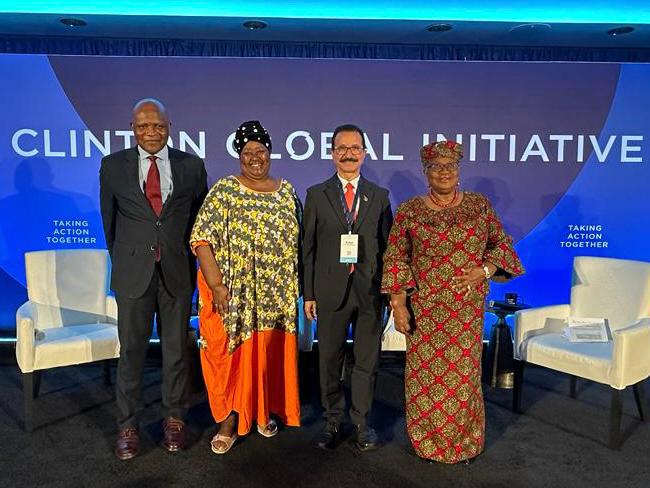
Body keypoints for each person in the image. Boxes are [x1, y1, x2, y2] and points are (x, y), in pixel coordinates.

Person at [381, 140, 524, 464]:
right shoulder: (409, 211)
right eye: (436, 167)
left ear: (458, 171)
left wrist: (485, 270)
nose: (444, 172)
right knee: (424, 379)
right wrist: (399, 304)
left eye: (450, 166)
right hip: (425, 311)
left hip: (465, 311)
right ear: (426, 172)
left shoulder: (479, 206)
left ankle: (465, 445)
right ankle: (427, 445)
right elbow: (395, 259)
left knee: (462, 379)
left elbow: (502, 245)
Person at [99, 98, 208, 460]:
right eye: (144, 125)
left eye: (158, 126)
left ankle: (174, 418)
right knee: (131, 352)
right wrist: (125, 263)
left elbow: (198, 224)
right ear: (132, 128)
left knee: (176, 352)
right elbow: (109, 223)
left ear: (169, 127)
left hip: (176, 273)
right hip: (133, 275)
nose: (151, 132)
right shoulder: (112, 166)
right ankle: (127, 425)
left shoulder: (191, 166)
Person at [190, 120, 302, 455]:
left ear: (270, 153)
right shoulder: (225, 189)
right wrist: (217, 285)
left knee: (268, 355)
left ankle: (263, 410)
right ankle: (230, 420)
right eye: (247, 152)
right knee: (234, 357)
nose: (254, 157)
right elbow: (201, 238)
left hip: (276, 296)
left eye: (260, 150)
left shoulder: (287, 190)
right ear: (239, 156)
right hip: (236, 294)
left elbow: (300, 241)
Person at [302, 124, 393, 451]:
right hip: (328, 291)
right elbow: (307, 247)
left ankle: (362, 422)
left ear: (364, 154)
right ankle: (331, 420)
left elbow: (389, 249)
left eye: (355, 148)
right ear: (332, 154)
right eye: (341, 148)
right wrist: (308, 293)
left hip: (369, 291)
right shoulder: (316, 194)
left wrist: (389, 290)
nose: (348, 154)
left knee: (367, 361)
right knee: (328, 359)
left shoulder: (380, 197)